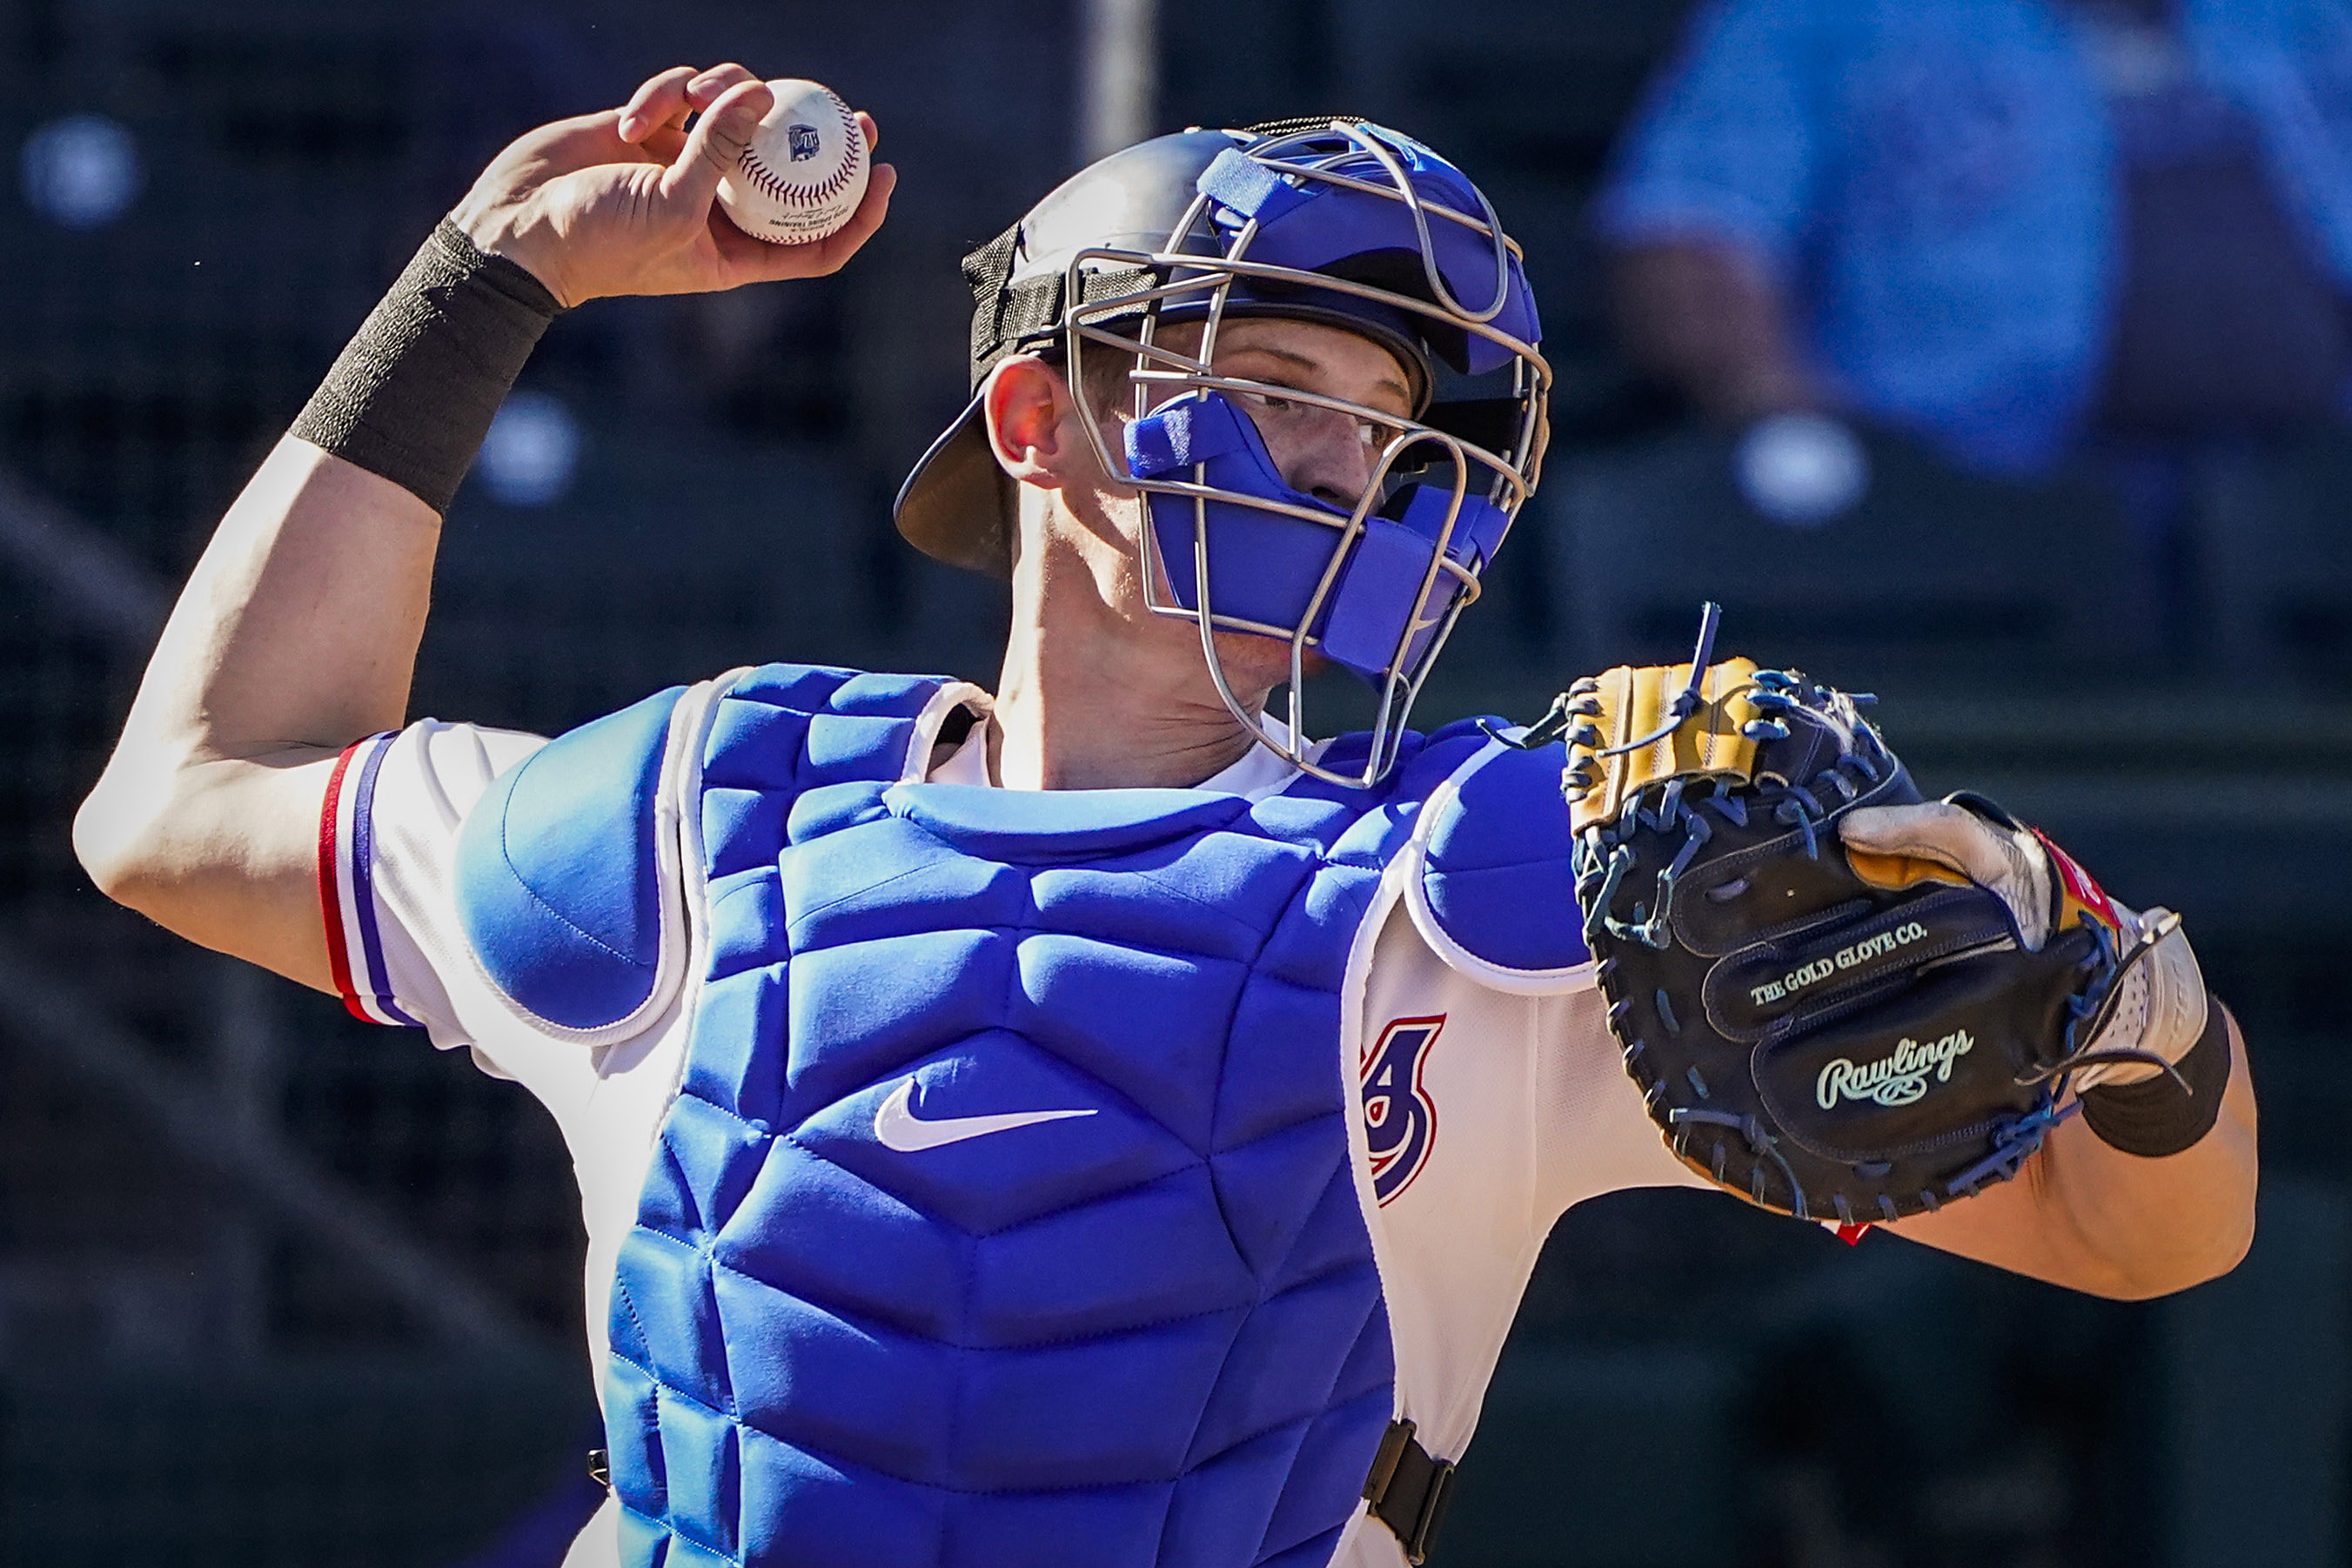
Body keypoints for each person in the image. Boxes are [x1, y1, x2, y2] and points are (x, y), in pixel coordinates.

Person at [73, 63, 2255, 1568]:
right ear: (1032, 411)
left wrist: (2121, 997)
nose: (1335, 464)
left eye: (1384, 427)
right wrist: (492, 280)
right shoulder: (700, 810)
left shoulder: (1490, 881)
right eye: (1275, 383)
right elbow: (180, 808)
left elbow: (2139, 1230)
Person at [1598, 0, 2352, 572]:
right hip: (1946, 510)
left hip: (2305, 492)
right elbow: (1690, 239)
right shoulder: (1821, 14)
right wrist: (1785, 415)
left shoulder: (2301, 18)